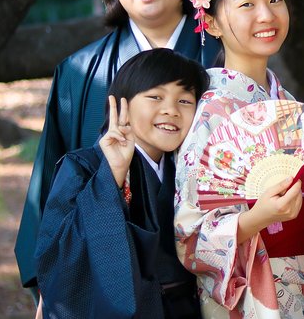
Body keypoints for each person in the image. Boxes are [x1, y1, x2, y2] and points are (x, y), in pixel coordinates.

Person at [15, 0, 221, 295]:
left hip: (221, 286)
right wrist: (48, 287)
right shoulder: (79, 74)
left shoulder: (225, 60)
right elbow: (49, 193)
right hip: (115, 291)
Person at [174, 0, 304, 318]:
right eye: (247, 4)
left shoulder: (288, 106)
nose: (267, 15)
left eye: (275, 0)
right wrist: (259, 217)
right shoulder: (211, 114)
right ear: (211, 23)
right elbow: (189, 238)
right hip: (253, 296)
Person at [35, 49, 208, 318]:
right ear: (121, 104)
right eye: (155, 97)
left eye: (185, 101)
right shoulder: (82, 167)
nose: (171, 110)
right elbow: (61, 255)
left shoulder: (192, 169)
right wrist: (112, 176)